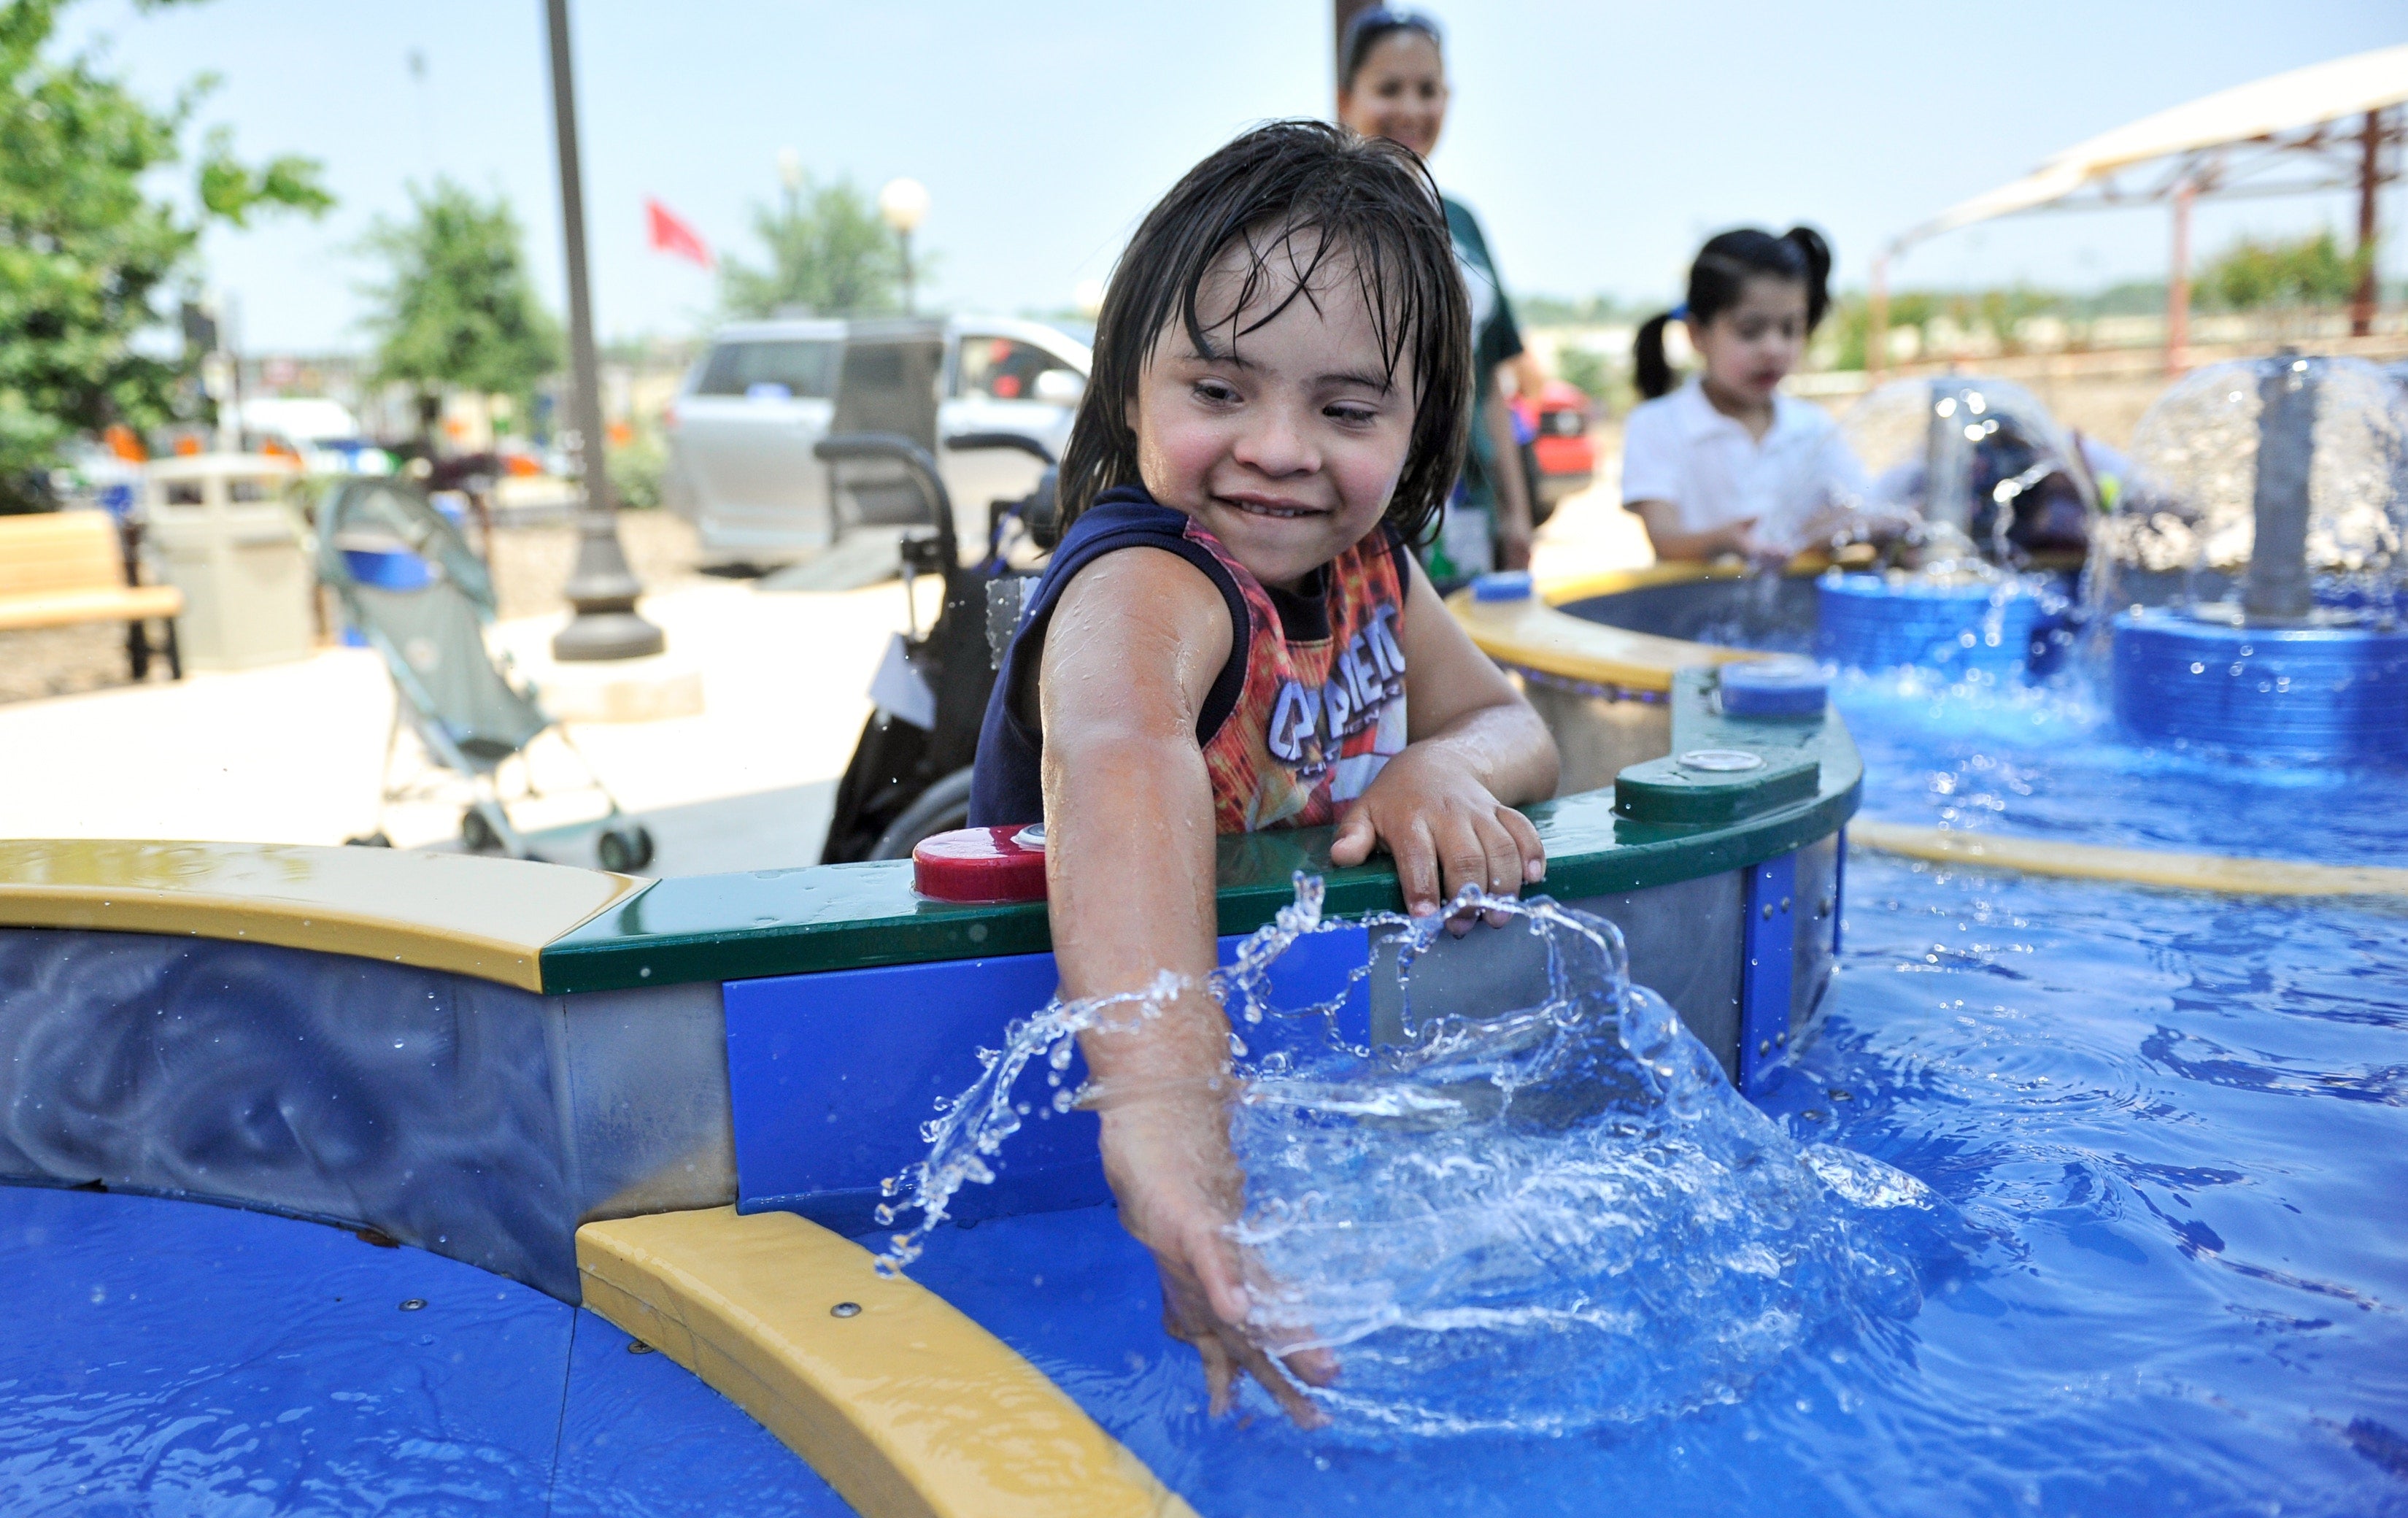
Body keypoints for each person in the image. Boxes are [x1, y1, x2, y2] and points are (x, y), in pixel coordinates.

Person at [968, 121, 1559, 1425]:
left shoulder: (1377, 574)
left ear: (1419, 430)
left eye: (1345, 410)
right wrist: (1168, 1118)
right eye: (1220, 393)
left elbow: (1516, 726)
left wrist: (1433, 771)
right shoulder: (1149, 580)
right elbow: (1123, 759)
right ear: (1133, 391)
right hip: (1080, 1092)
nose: (1281, 448)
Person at [1335, 6, 1538, 585]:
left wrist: (1517, 514)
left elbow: (1491, 381)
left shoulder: (1464, 223)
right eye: (1390, 88)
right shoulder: (1323, 220)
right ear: (1346, 98)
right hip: (1370, 506)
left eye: (1428, 90)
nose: (1413, 109)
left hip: (1467, 503)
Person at [1621, 227, 1872, 563]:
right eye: (1750, 331)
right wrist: (1724, 540)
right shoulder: (1657, 424)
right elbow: (1664, 538)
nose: (1773, 349)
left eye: (1790, 329)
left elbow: (1861, 510)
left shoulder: (1813, 428)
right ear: (1697, 335)